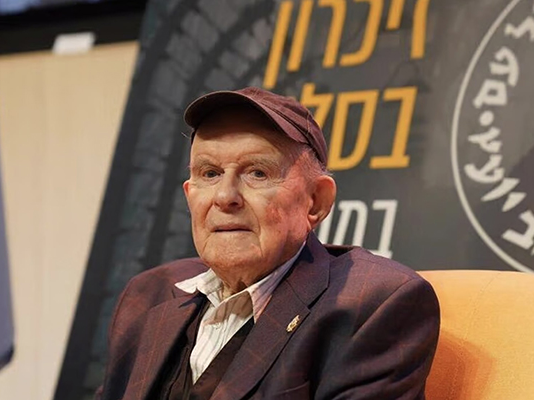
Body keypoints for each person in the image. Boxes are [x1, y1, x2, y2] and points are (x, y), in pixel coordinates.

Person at [97, 87, 440, 400]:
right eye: (210, 173)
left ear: (316, 201)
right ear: (189, 194)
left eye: (257, 173)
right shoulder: (149, 294)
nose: (225, 197)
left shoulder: (371, 304)